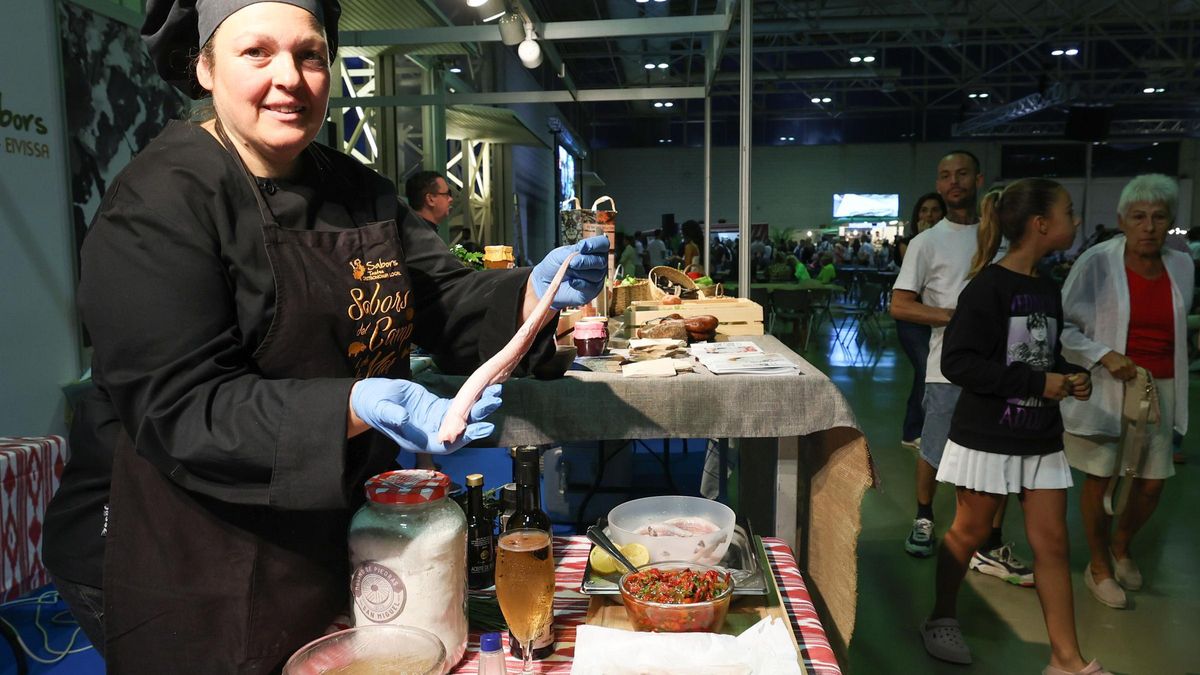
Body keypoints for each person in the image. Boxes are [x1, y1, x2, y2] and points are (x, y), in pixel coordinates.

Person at [39, 0, 607, 670]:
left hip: (322, 526)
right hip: (181, 546)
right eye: (257, 52)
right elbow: (180, 406)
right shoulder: (157, 203)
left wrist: (532, 295)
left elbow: (442, 298)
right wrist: (352, 405)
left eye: (309, 54)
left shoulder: (357, 190)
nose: (289, 77)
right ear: (204, 67)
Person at [923, 178, 1107, 675]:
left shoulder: (1046, 288)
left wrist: (1069, 374)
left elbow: (1040, 352)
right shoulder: (987, 288)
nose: (1076, 220)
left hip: (1040, 436)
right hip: (988, 437)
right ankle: (941, 617)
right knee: (969, 531)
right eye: (1068, 212)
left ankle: (1066, 659)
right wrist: (1039, 382)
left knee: (1052, 544)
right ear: (1041, 225)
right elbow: (959, 362)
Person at [891, 152, 1033, 587]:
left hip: (1003, 370)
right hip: (947, 369)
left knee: (999, 455)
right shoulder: (927, 242)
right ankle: (924, 517)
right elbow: (901, 304)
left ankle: (990, 542)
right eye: (945, 175)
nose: (954, 182)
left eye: (962, 174)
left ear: (979, 179)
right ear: (939, 183)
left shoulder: (1004, 238)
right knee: (934, 449)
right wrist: (956, 318)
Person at [1059, 174, 1192, 610]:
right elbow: (1063, 326)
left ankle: (1120, 546)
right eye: (1138, 216)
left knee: (1152, 484)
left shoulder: (1182, 263)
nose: (1149, 226)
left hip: (1161, 387)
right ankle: (1098, 566)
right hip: (1109, 383)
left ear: (1170, 221)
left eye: (1159, 217)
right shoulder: (1097, 262)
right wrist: (1102, 354)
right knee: (1101, 478)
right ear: (1122, 220)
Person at [896, 193, 947, 449]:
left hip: (935, 319)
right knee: (926, 370)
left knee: (923, 373)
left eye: (935, 210)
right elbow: (916, 270)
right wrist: (925, 236)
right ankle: (917, 430)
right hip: (912, 319)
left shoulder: (948, 244)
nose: (929, 215)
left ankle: (913, 429)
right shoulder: (909, 244)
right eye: (924, 210)